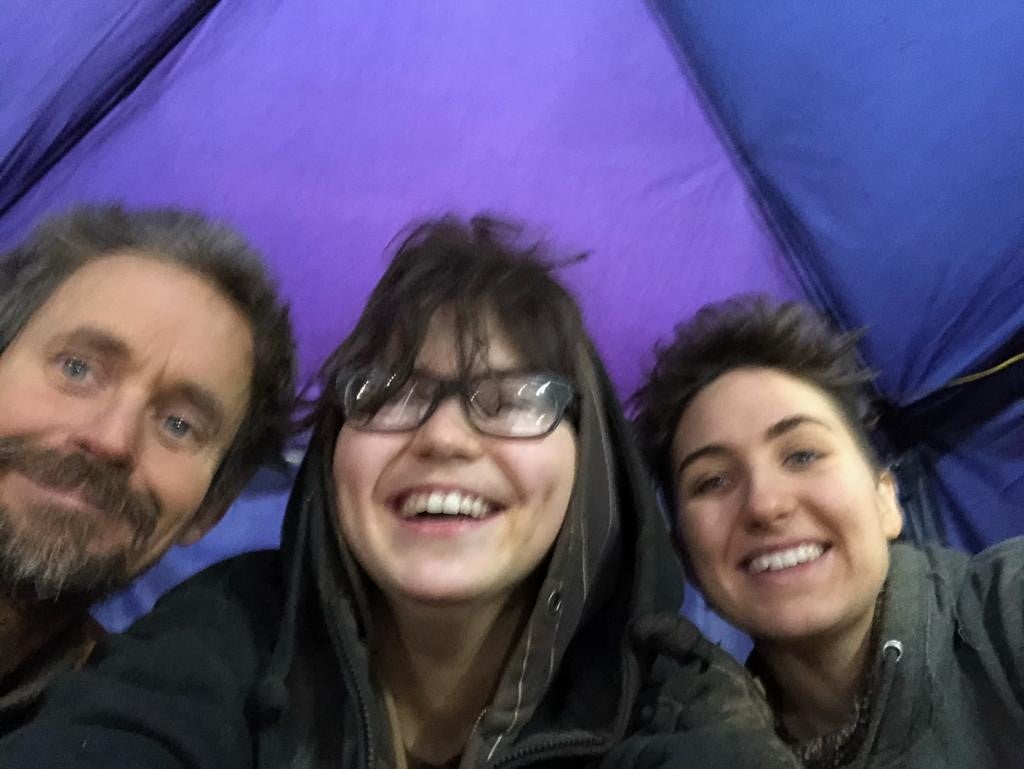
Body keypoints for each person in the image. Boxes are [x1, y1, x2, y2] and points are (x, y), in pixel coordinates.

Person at [0, 217, 800, 768]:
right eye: (388, 393)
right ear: (330, 456)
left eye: (515, 397)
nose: (445, 437)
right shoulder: (230, 629)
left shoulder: (674, 696)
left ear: (590, 468)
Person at [631, 296, 1024, 768]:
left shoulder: (1007, 611)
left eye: (802, 455)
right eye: (713, 481)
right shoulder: (697, 749)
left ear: (885, 500)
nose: (765, 505)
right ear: (688, 562)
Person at [0, 205, 296, 732]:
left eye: (179, 425)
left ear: (209, 510)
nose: (111, 439)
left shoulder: (115, 721)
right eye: (77, 368)